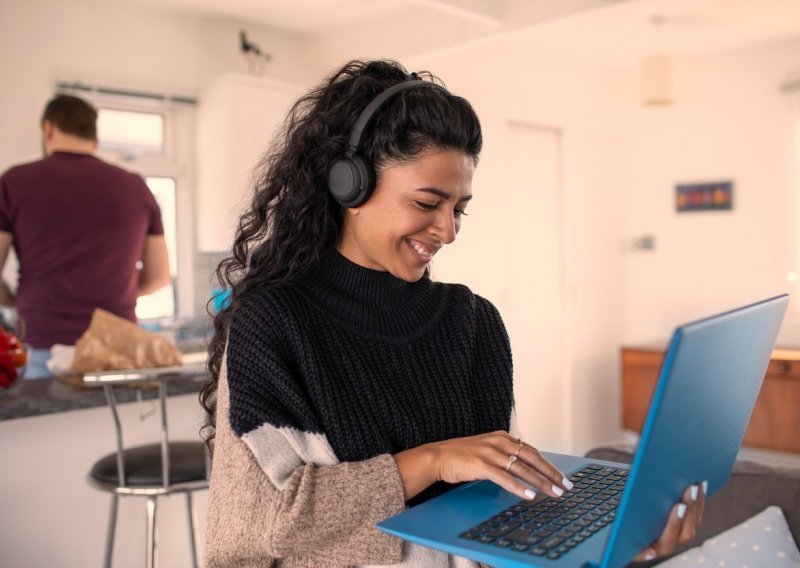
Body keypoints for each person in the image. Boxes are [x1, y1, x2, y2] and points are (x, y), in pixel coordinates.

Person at [201, 60, 704, 567]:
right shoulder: (273, 324)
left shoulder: (473, 322)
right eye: (427, 203)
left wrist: (618, 549)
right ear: (348, 186)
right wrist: (434, 460)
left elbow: (495, 505)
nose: (448, 230)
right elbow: (266, 526)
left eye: (459, 208)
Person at [0, 94, 171, 378]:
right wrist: (117, 292)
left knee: (44, 424)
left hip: (44, 342)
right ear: (95, 140)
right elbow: (159, 276)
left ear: (48, 129)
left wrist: (15, 300)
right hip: (118, 345)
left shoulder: (14, 183)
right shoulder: (135, 186)